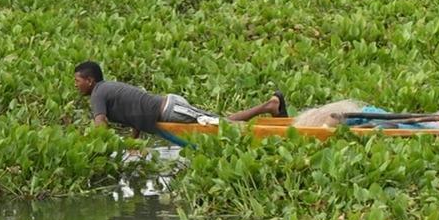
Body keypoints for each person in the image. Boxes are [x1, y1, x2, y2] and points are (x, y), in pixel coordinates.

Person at [74, 60, 285, 139]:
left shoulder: (97, 94)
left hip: (170, 110)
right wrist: (132, 144)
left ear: (90, 81)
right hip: (168, 108)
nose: (76, 85)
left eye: (78, 81)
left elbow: (100, 126)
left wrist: (94, 149)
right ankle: (268, 107)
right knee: (218, 121)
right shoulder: (106, 88)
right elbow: (134, 113)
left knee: (222, 124)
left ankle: (270, 105)